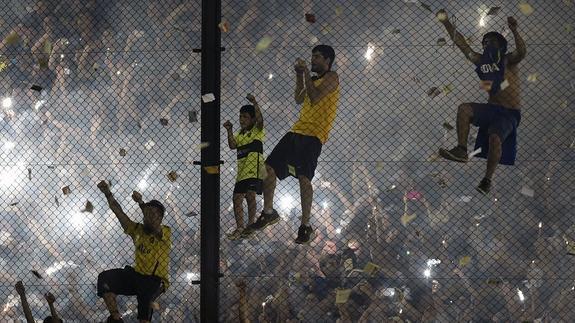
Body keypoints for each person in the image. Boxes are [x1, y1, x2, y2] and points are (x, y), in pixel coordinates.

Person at [243, 45, 340, 244]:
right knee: (267, 168)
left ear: (327, 61)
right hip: (295, 132)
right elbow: (298, 98)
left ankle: (305, 225)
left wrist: (305, 73)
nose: (312, 60)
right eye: (312, 56)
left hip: (313, 136)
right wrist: (300, 76)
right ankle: (268, 212)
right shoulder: (312, 80)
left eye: (317, 57)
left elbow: (314, 97)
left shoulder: (332, 77)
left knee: (304, 178)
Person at [436, 10, 526, 194]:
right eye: (485, 43)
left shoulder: (508, 60)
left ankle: (487, 180)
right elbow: (463, 47)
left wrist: (515, 30)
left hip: (509, 113)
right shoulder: (482, 60)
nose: (486, 45)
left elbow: (522, 52)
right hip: (492, 109)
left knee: (495, 138)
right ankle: (461, 149)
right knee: (464, 109)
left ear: (500, 45)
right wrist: (446, 23)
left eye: (491, 42)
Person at [96, 180, 171, 323]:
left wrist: (142, 203)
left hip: (155, 280)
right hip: (137, 276)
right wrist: (107, 193)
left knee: (145, 300)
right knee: (105, 278)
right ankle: (117, 319)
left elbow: (154, 225)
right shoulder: (137, 230)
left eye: (155, 214)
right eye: (148, 213)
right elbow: (118, 211)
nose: (151, 216)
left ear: (161, 219)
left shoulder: (165, 232)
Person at [223, 94, 265, 240]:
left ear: (252, 119)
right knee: (236, 198)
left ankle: (250, 226)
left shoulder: (256, 131)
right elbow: (232, 145)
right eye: (240, 117)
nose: (241, 120)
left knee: (250, 196)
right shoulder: (240, 134)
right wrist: (229, 130)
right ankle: (240, 227)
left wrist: (255, 102)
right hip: (242, 173)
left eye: (245, 117)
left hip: (255, 169)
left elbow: (260, 120)